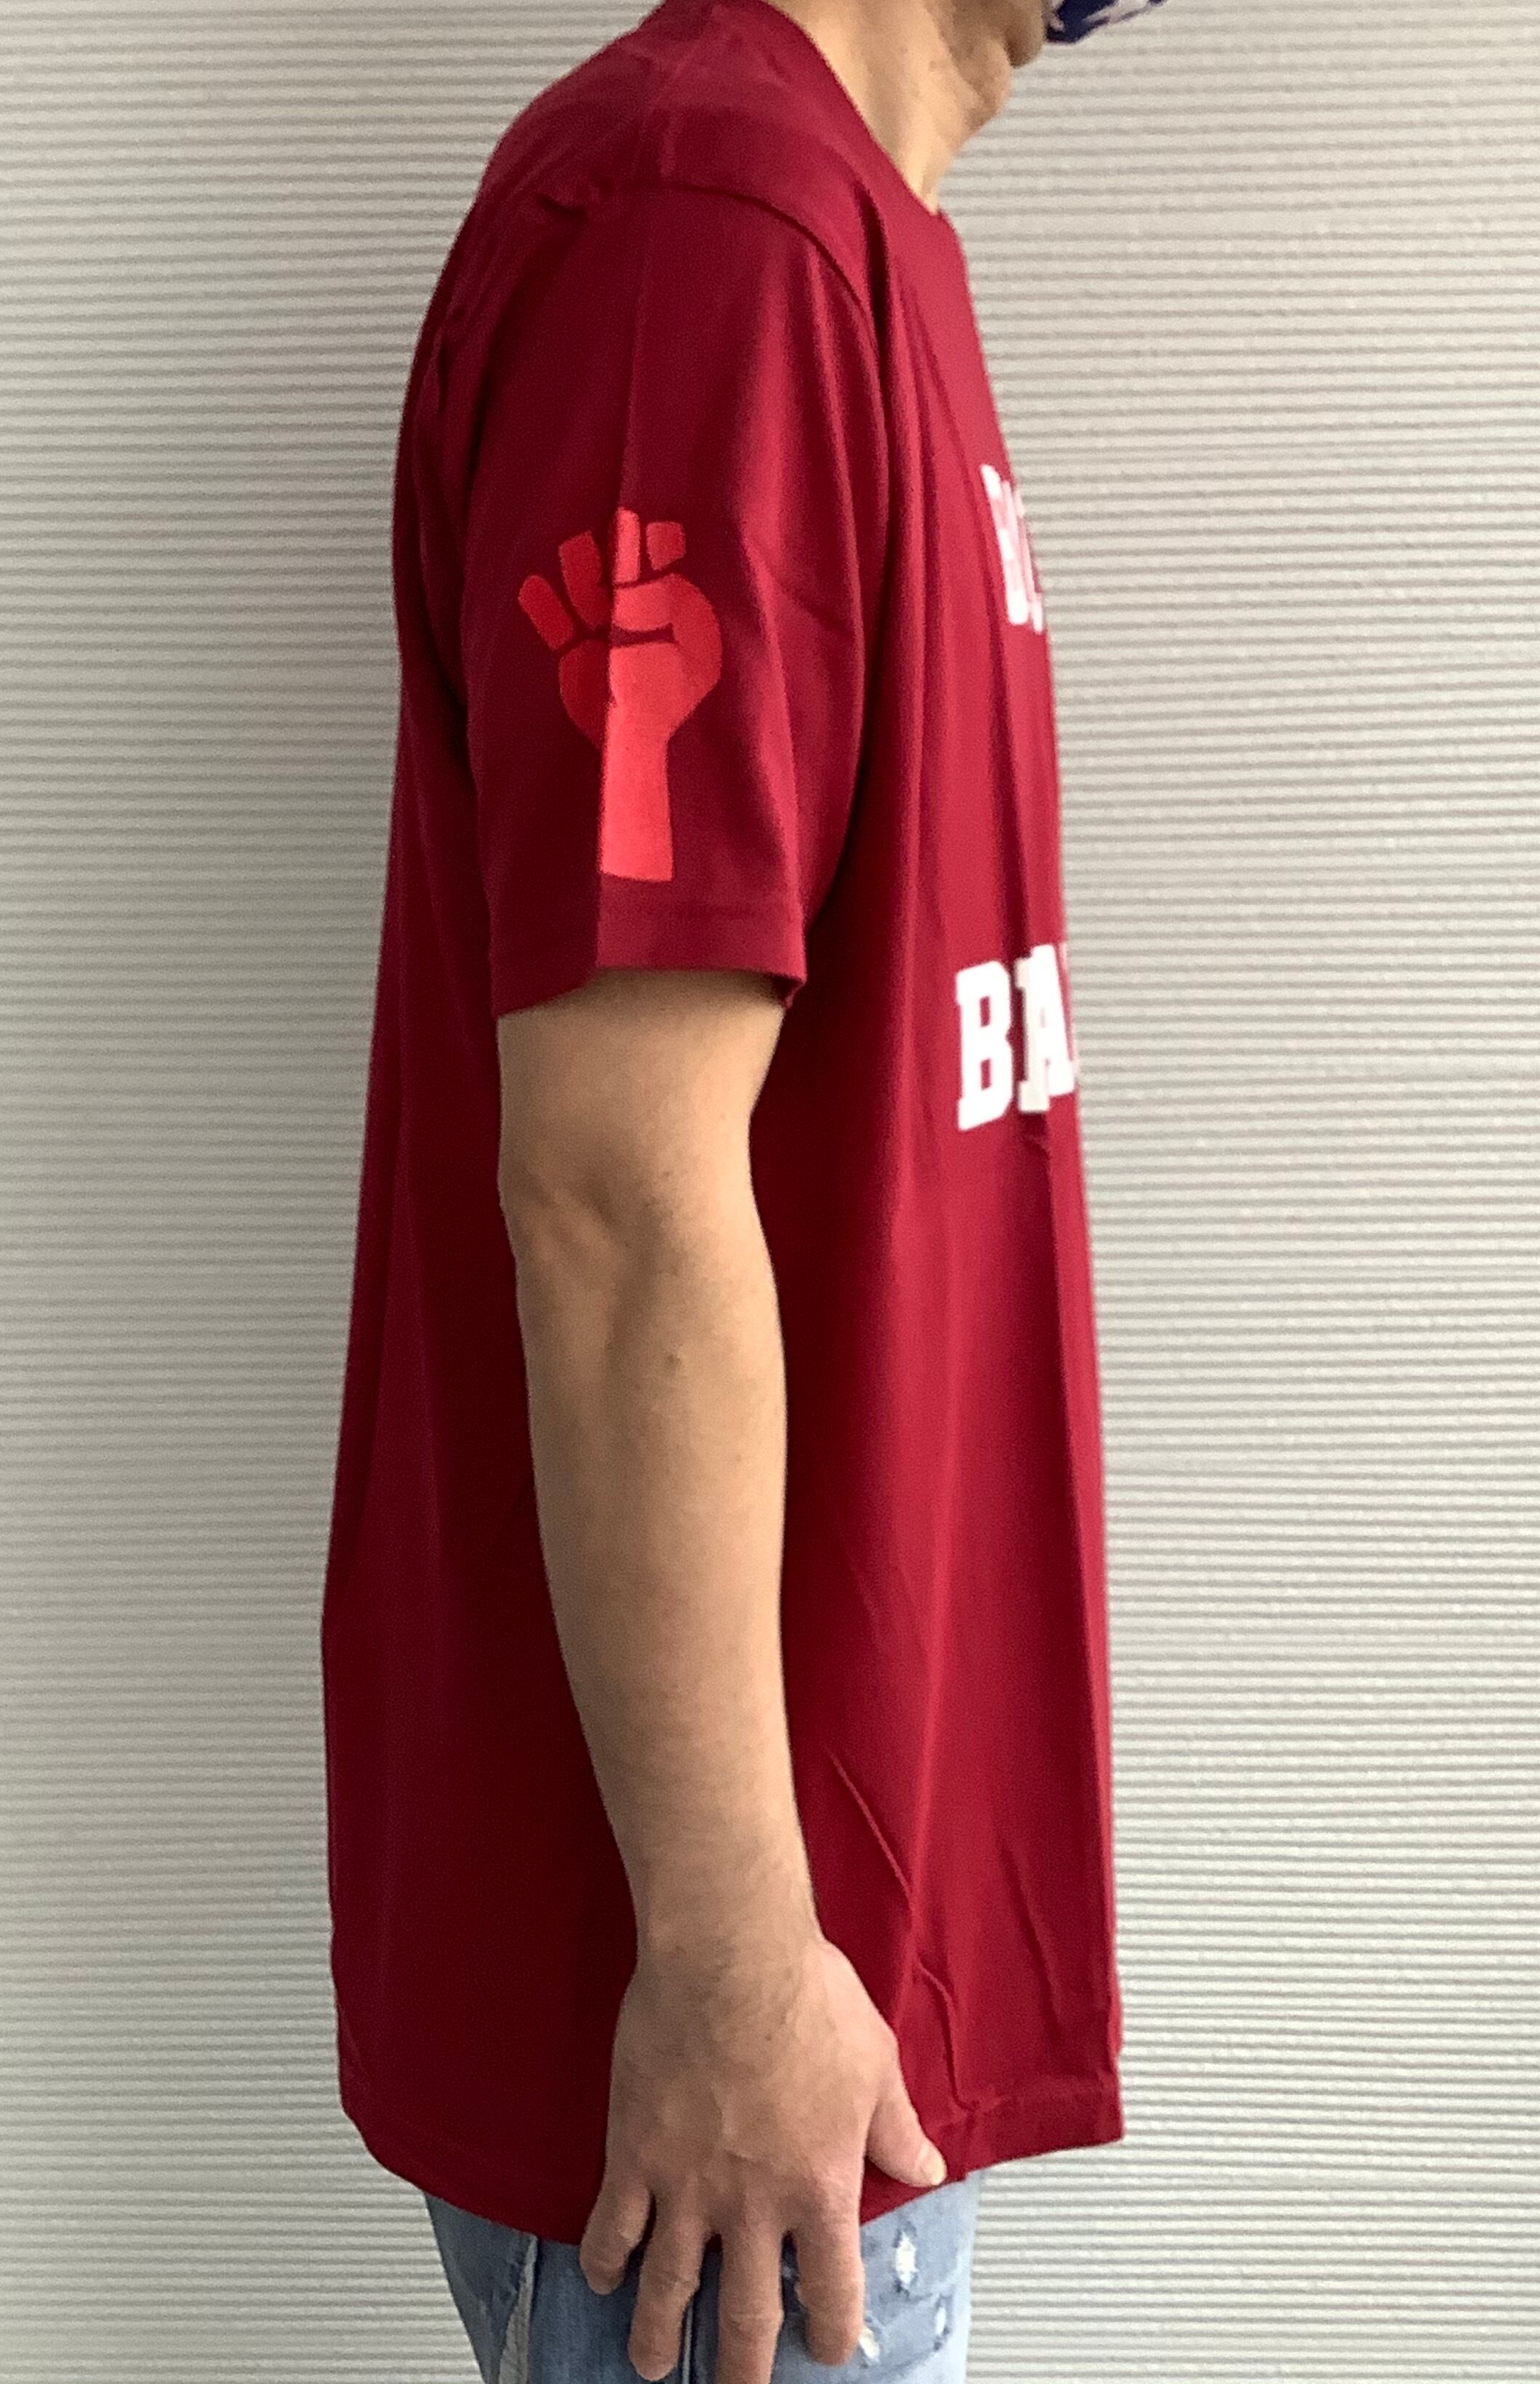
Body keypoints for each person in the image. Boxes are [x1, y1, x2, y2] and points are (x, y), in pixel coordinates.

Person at [319, 0, 1163, 2376]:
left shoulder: (843, 239)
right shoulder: (707, 241)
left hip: (820, 1974)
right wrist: (723, 1961)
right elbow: (609, 1189)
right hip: (713, 2077)